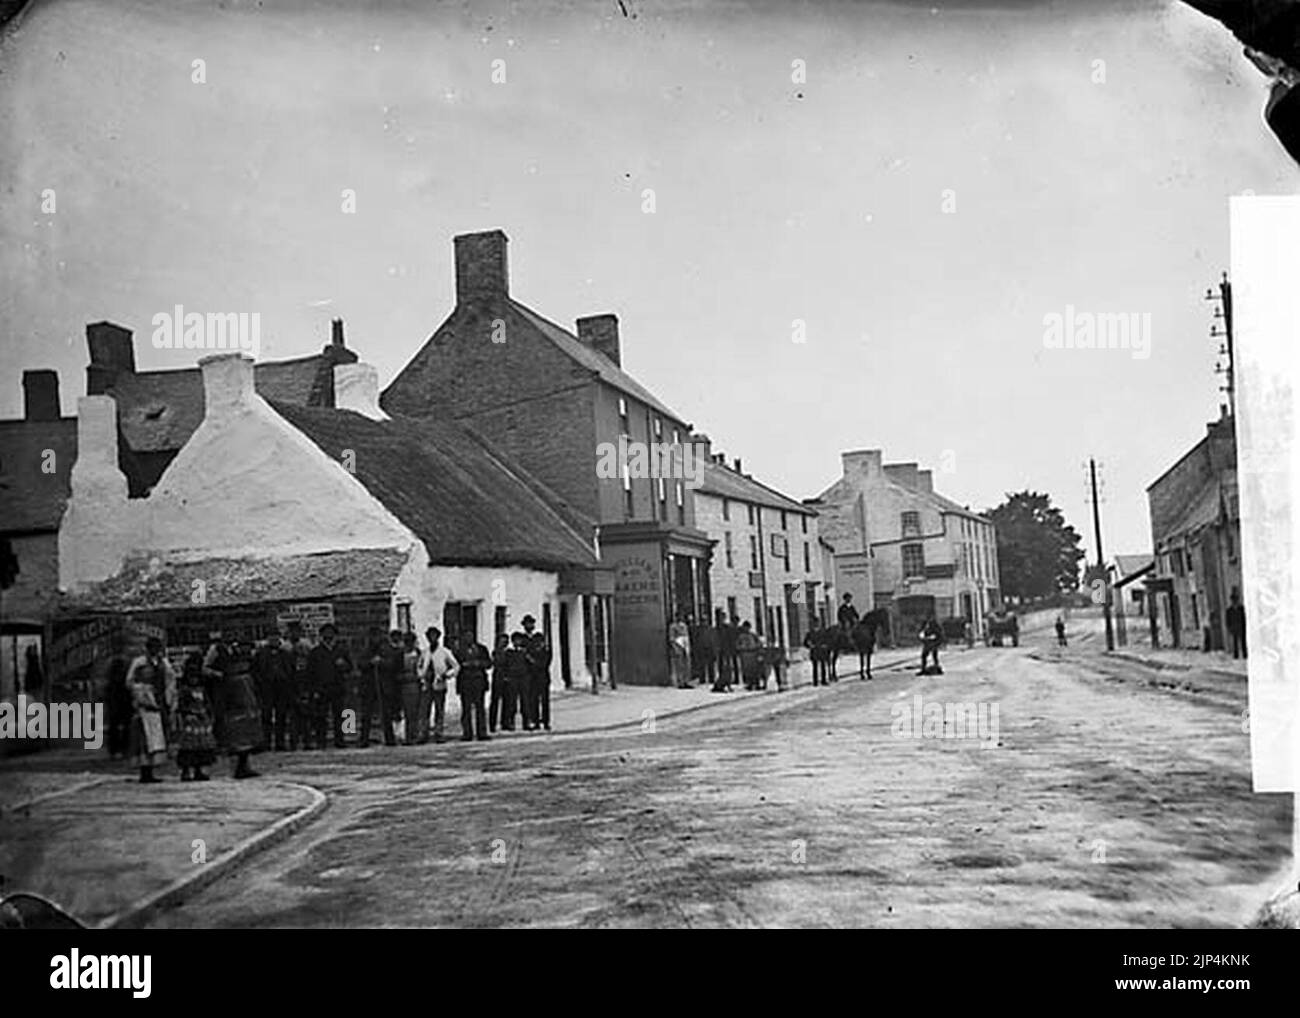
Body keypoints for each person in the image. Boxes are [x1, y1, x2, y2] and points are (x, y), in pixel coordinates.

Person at [206, 634, 262, 778]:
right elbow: (205, 669)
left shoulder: (248, 657)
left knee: (247, 730)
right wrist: (221, 675)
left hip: (245, 694)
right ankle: (236, 767)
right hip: (229, 693)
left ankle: (245, 765)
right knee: (234, 731)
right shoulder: (216, 649)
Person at [126, 637, 177, 783]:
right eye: (153, 648)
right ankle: (144, 770)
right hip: (144, 704)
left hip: (159, 702)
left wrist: (168, 698)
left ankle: (151, 769)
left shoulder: (164, 663)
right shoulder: (139, 663)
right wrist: (142, 692)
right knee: (143, 736)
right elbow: (130, 681)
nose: (156, 651)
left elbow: (170, 680)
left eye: (158, 648)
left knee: (155, 737)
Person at [306, 623, 352, 749]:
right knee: (321, 716)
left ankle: (340, 740)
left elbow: (350, 668)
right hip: (322, 689)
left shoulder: (341, 651)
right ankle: (321, 741)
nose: (328, 636)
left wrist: (343, 665)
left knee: (340, 715)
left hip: (338, 688)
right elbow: (310, 673)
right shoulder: (315, 652)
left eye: (331, 633)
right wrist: (314, 689)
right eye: (326, 633)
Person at [174, 652, 217, 781]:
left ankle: (199, 770)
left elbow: (207, 703)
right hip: (190, 721)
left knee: (202, 746)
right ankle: (186, 771)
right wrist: (189, 713)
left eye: (196, 677)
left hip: (202, 721)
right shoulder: (184, 691)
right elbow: (181, 706)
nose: (194, 680)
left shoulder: (202, 690)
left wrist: (209, 714)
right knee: (188, 747)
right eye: (191, 677)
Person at [252, 632, 294, 751]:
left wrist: (286, 681)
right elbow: (255, 670)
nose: (274, 639)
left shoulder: (285, 654)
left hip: (282, 688)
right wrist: (260, 683)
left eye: (276, 637)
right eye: (271, 637)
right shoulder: (261, 654)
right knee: (266, 716)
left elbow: (290, 670)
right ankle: (266, 742)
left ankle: (280, 743)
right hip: (267, 688)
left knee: (281, 715)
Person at [421, 627, 459, 743]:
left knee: (439, 709)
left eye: (434, 636)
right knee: (424, 710)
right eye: (429, 636)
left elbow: (456, 666)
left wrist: (447, 675)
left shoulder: (445, 652)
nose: (432, 639)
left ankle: (439, 732)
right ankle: (424, 733)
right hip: (427, 684)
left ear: (438, 637)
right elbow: (419, 666)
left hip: (439, 683)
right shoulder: (425, 652)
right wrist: (421, 675)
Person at [283, 620, 313, 750]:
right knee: (293, 716)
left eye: (297, 631)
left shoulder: (306, 645)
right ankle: (293, 742)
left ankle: (308, 741)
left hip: (305, 681)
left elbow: (311, 664)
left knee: (306, 714)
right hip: (289, 683)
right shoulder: (285, 647)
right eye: (292, 631)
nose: (294, 634)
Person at [457, 634, 492, 742]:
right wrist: (465, 665)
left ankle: (482, 732)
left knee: (480, 708)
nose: (468, 639)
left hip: (478, 682)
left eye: (470, 636)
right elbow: (456, 665)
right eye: (466, 637)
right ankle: (467, 733)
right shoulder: (460, 651)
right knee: (466, 709)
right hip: (466, 682)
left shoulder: (482, 649)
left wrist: (478, 663)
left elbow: (489, 663)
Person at [521, 615, 551, 732]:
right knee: (532, 699)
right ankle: (535, 721)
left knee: (544, 700)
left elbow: (547, 658)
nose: (529, 626)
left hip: (542, 674)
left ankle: (546, 721)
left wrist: (535, 662)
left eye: (531, 624)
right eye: (527, 624)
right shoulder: (523, 640)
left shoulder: (538, 637)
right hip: (530, 675)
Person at [105, 654, 132, 759]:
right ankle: (123, 749)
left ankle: (116, 750)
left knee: (116, 727)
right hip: (121, 702)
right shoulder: (123, 678)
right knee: (123, 727)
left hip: (117, 702)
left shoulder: (111, 681)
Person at [503, 632, 533, 726]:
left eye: (519, 640)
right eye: (516, 640)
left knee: (525, 701)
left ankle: (527, 721)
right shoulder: (509, 652)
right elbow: (505, 665)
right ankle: (510, 721)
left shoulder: (524, 652)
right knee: (512, 701)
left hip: (523, 678)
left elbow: (530, 664)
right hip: (513, 678)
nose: (518, 642)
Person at [489, 633, 512, 732]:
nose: (504, 643)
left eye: (506, 641)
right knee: (495, 701)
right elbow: (496, 663)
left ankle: (505, 722)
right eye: (502, 641)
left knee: (507, 702)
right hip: (498, 678)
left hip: (508, 679)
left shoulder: (509, 653)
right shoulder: (496, 652)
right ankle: (492, 723)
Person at [736, 621, 763, 691]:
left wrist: (755, 647)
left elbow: (759, 643)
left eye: (747, 627)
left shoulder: (753, 635)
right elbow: (737, 645)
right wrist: (742, 647)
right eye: (745, 627)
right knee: (746, 670)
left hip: (753, 653)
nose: (746, 629)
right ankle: (749, 683)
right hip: (745, 655)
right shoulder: (740, 636)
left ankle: (756, 683)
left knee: (754, 670)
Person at [669, 613, 693, 689]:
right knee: (679, 666)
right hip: (678, 647)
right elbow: (672, 639)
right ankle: (680, 682)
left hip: (685, 647)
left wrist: (688, 646)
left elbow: (686, 636)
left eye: (681, 616)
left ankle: (686, 681)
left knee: (686, 665)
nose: (680, 618)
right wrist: (675, 648)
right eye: (678, 616)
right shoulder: (673, 626)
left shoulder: (684, 626)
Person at [693, 613, 717, 687]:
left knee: (711, 665)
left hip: (710, 648)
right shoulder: (698, 629)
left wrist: (714, 649)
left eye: (705, 620)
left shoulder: (711, 629)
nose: (704, 622)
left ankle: (711, 679)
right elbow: (695, 639)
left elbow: (714, 640)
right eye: (703, 620)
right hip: (701, 649)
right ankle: (702, 679)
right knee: (702, 665)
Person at [804, 620, 829, 686]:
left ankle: (823, 680)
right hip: (814, 651)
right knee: (815, 667)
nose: (816, 625)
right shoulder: (810, 633)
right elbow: (806, 642)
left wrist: (825, 645)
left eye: (817, 623)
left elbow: (827, 640)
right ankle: (815, 681)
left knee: (823, 666)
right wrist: (810, 645)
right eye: (815, 624)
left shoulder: (823, 632)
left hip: (821, 650)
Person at [1226, 590, 1247, 659]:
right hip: (1234, 628)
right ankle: (1236, 655)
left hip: (1241, 627)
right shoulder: (1229, 610)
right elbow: (1228, 620)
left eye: (1235, 600)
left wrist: (1245, 626)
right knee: (1235, 642)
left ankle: (1245, 654)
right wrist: (1229, 627)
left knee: (1243, 641)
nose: (1234, 602)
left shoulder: (1241, 608)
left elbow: (1244, 617)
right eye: (1233, 600)